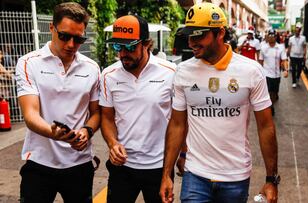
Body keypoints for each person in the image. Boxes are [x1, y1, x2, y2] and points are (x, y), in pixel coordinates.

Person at [160, 3, 279, 203]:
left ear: (220, 33)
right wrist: (166, 174)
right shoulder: (183, 71)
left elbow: (266, 126)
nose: (191, 42)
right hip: (195, 175)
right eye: (189, 36)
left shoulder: (250, 71)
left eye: (198, 36)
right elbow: (177, 124)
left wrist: (271, 179)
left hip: (236, 177)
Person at [15, 2, 100, 203]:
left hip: (79, 163)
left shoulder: (92, 68)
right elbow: (30, 114)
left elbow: (96, 113)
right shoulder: (29, 63)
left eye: (78, 39)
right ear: (51, 28)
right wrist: (56, 134)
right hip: (39, 163)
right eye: (64, 36)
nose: (71, 44)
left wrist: (86, 131)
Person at [99, 15, 176, 203]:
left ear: (147, 44)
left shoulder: (170, 72)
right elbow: (107, 117)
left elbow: (179, 121)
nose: (123, 53)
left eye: (131, 47)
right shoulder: (109, 75)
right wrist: (112, 144)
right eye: (118, 47)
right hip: (122, 168)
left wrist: (180, 156)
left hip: (159, 167)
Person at [258, 29, 288, 115]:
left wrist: (286, 70)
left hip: (276, 75)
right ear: (267, 37)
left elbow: (284, 60)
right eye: (270, 36)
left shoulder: (280, 47)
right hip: (266, 74)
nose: (271, 37)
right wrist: (260, 72)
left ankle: (272, 103)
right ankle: (270, 107)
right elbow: (260, 61)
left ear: (276, 37)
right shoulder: (263, 47)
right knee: (268, 92)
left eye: (273, 36)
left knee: (274, 93)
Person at [288, 23, 306, 88]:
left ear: (300, 31)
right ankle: (294, 82)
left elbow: (304, 47)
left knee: (299, 69)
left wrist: (304, 55)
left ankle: (298, 77)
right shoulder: (291, 38)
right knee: (293, 69)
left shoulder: (303, 38)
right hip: (293, 56)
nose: (297, 32)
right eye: (296, 31)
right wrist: (288, 54)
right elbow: (289, 47)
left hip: (300, 56)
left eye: (298, 31)